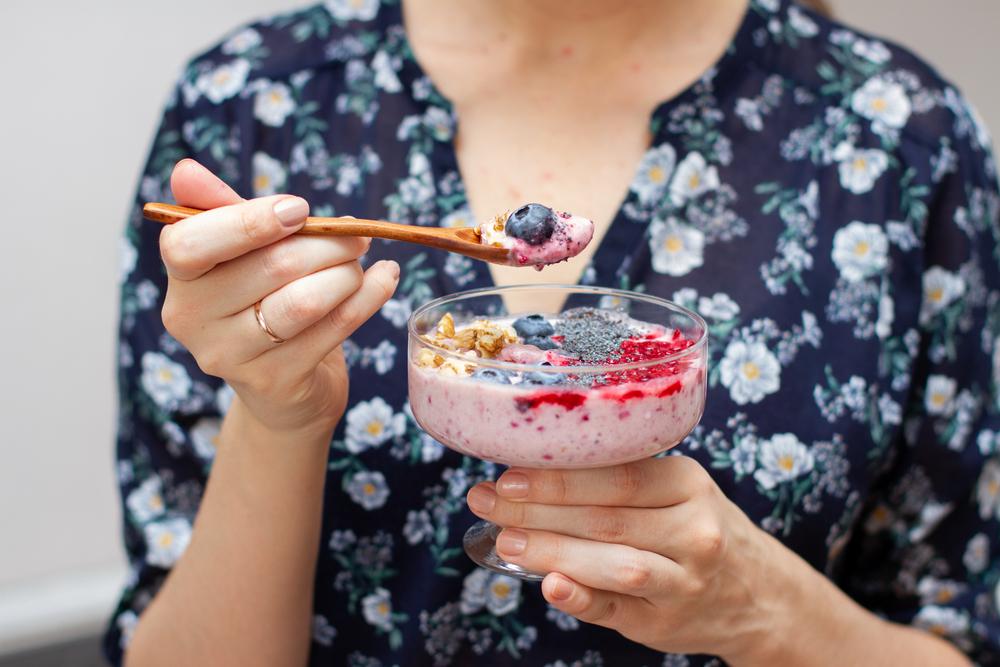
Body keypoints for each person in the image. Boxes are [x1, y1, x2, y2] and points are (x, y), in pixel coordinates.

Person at [107, 0, 1000, 664]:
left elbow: (954, 623)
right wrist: (278, 419)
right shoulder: (251, 105)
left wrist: (766, 611)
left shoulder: (899, 141)